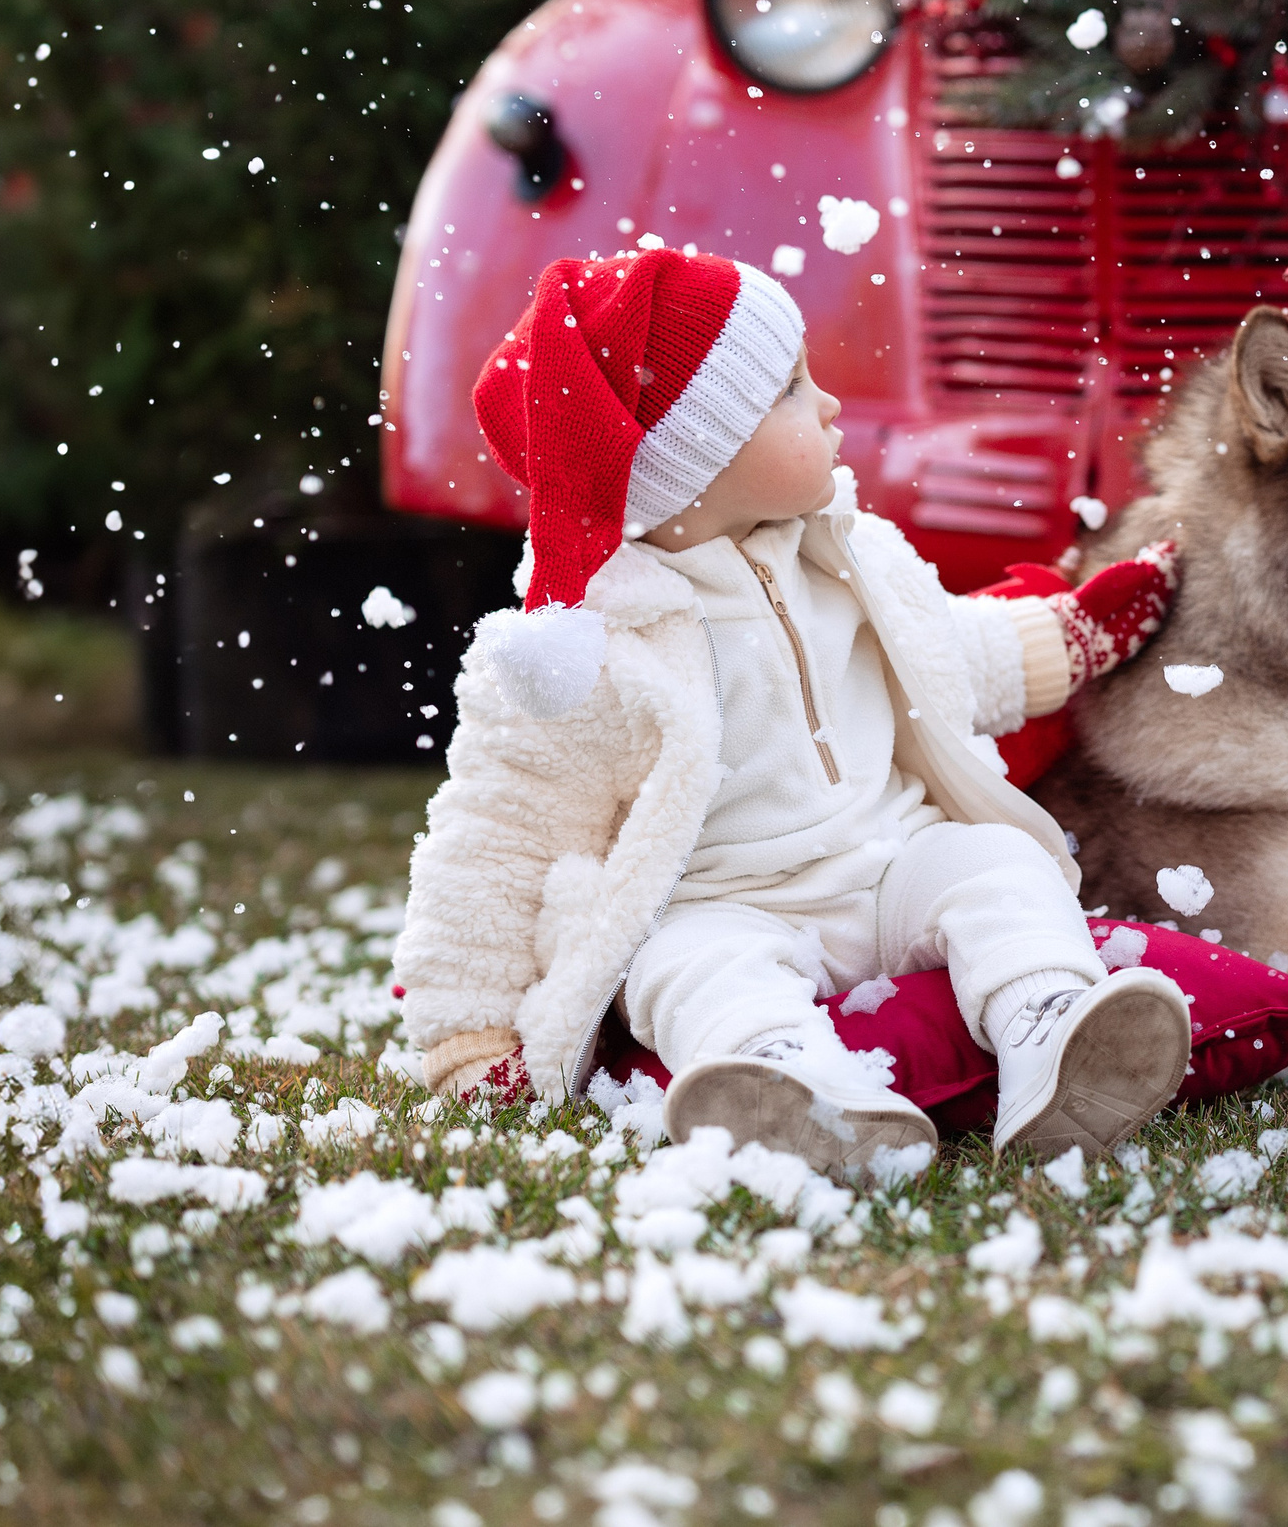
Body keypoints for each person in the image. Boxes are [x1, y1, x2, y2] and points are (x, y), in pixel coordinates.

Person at [393, 247, 1189, 1170]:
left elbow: (946, 654)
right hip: (730, 902)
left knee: (998, 863)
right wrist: (466, 1033)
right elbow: (496, 835)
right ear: (696, 457)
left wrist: (1075, 634)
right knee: (682, 968)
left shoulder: (847, 551)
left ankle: (1052, 1025)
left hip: (892, 865)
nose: (831, 404)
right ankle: (784, 1079)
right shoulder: (592, 651)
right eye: (791, 390)